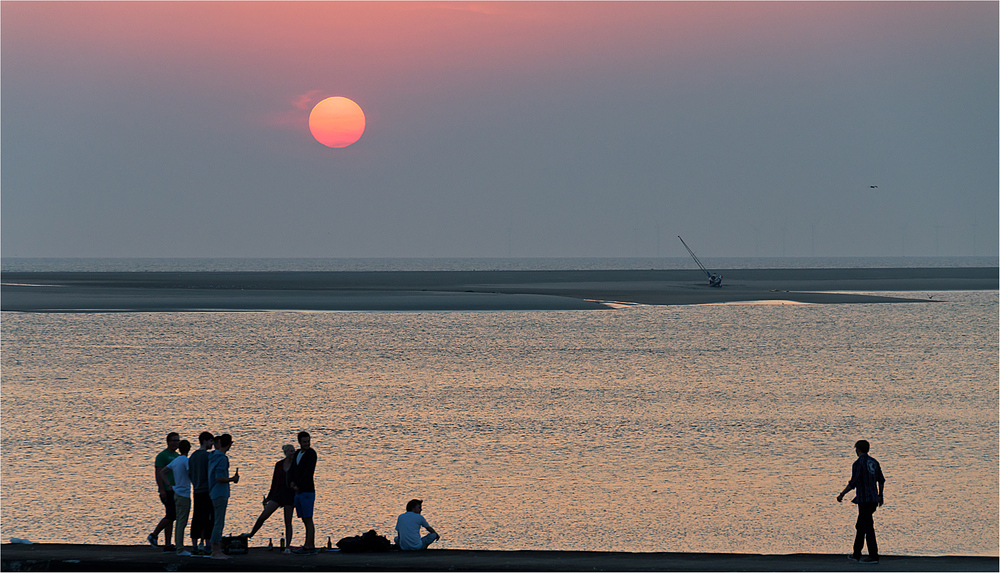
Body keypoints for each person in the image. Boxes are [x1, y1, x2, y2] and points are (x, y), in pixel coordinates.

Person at [838, 439, 886, 564]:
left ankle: (873, 556)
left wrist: (842, 494)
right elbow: (881, 480)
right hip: (873, 498)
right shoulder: (874, 462)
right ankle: (856, 554)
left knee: (867, 526)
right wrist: (881, 495)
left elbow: (853, 482)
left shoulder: (858, 463)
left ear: (857, 449)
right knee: (861, 525)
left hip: (864, 499)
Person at [245, 444, 296, 550]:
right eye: (291, 451)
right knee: (264, 516)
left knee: (288, 521)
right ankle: (251, 534)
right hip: (278, 493)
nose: (293, 453)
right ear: (286, 452)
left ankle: (287, 546)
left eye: (294, 451)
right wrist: (269, 497)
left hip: (290, 495)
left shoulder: (296, 465)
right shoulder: (279, 465)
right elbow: (274, 482)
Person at [208, 434, 240, 560]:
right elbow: (219, 477)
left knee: (217, 521)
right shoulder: (222, 458)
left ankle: (216, 549)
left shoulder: (212, 456)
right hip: (220, 493)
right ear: (230, 444)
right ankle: (215, 551)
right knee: (219, 522)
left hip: (213, 492)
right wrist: (232, 479)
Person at [148, 432, 180, 550]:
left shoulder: (177, 456)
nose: (176, 443)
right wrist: (162, 489)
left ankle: (167, 544)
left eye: (178, 441)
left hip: (176, 489)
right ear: (168, 442)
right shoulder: (162, 456)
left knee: (170, 516)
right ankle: (154, 535)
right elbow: (158, 473)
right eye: (174, 440)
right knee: (172, 515)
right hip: (167, 489)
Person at [160, 440, 193, 556]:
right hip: (184, 494)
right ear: (189, 449)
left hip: (176, 493)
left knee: (179, 521)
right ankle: (180, 548)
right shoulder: (186, 461)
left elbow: (162, 472)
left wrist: (169, 485)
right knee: (182, 522)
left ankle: (179, 546)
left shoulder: (176, 461)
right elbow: (190, 474)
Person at [289, 431, 318, 554]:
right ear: (299, 442)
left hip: (307, 490)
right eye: (304, 442)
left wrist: (298, 485)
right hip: (298, 491)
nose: (307, 444)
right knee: (304, 519)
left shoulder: (311, 454)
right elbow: (293, 469)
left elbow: (308, 472)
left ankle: (309, 545)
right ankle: (309, 544)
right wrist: (291, 482)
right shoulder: (297, 454)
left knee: (308, 518)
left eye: (308, 441)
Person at [187, 432, 215, 555]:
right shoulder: (207, 456)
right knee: (208, 518)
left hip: (196, 490)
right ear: (204, 441)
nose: (212, 444)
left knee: (196, 517)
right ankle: (208, 544)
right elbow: (210, 473)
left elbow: (189, 473)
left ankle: (194, 546)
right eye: (210, 441)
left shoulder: (192, 456)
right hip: (206, 490)